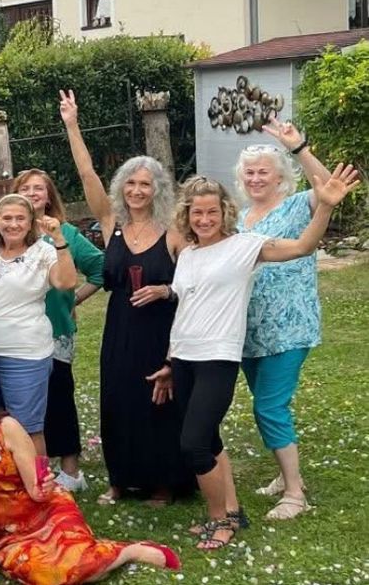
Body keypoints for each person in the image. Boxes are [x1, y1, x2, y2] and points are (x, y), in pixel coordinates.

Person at [147, 165, 357, 550]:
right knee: (208, 439)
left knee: (193, 443)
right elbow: (185, 308)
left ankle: (219, 521)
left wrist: (324, 207)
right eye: (197, 212)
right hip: (185, 358)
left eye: (212, 211)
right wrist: (169, 362)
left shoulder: (245, 245)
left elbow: (301, 247)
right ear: (187, 215)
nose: (205, 219)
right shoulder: (189, 254)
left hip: (218, 358)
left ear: (225, 211)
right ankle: (233, 511)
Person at [0, 360, 179, 584]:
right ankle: (107, 556)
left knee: (77, 560)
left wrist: (44, 487)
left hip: (45, 510)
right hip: (3, 531)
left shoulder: (7, 428)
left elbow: (37, 490)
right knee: (45, 573)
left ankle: (127, 551)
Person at [59, 90, 189, 504]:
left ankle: (162, 482)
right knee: (117, 399)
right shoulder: (110, 220)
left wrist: (166, 289)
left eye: (145, 184)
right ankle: (120, 479)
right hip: (119, 327)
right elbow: (87, 176)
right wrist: (72, 126)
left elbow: (195, 284)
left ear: (158, 190)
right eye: (130, 183)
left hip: (159, 329)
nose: (136, 190)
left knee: (158, 400)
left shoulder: (173, 230)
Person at [234, 120, 333, 519]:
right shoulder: (241, 217)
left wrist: (299, 147)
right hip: (248, 328)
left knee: (269, 408)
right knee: (266, 403)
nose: (256, 178)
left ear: (280, 178)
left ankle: (294, 494)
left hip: (289, 326)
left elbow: (328, 189)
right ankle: (285, 472)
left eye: (264, 172)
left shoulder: (296, 206)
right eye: (250, 172)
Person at [0, 193, 76, 451]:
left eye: (20, 218)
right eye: (7, 218)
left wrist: (59, 240)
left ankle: (39, 485)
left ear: (31, 222)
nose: (13, 224)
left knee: (26, 428)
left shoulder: (43, 251)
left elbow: (66, 282)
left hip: (24, 354)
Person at [10, 168, 104, 491]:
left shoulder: (66, 234)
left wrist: (73, 299)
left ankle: (71, 470)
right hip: (18, 333)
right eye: (27, 188)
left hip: (56, 331)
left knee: (59, 397)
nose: (33, 193)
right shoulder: (11, 231)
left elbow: (100, 268)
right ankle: (35, 465)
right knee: (27, 402)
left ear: (48, 196)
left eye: (39, 188)